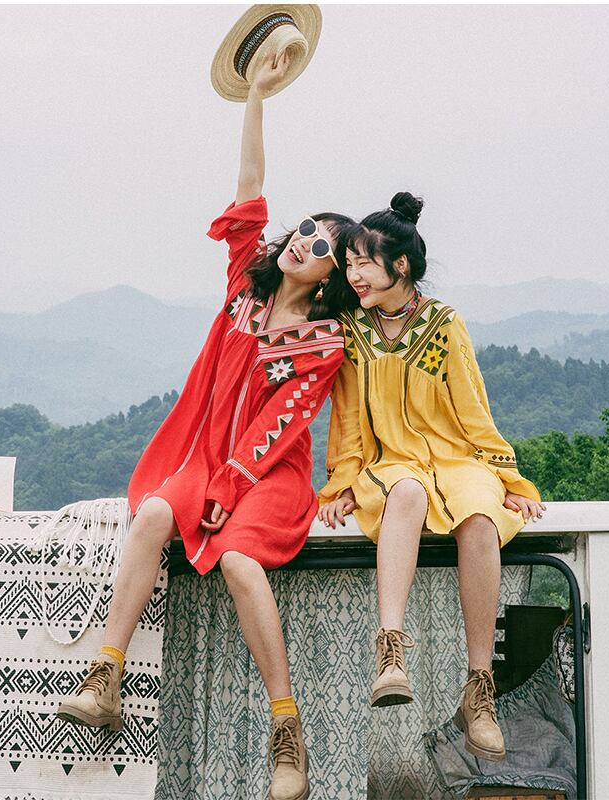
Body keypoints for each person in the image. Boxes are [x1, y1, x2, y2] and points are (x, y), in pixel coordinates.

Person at [57, 52, 354, 800]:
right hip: (203, 456)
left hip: (269, 475)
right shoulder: (245, 284)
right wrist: (257, 95)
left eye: (323, 246)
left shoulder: (324, 343)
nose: (305, 242)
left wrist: (230, 485)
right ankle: (106, 676)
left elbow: (282, 426)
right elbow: (250, 188)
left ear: (333, 278)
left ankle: (287, 732)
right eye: (306, 229)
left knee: (239, 563)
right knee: (154, 515)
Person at [318, 192, 546, 762]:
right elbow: (348, 420)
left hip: (458, 458)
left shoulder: (444, 324)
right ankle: (391, 653)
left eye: (363, 263)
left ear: (400, 264)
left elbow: (474, 410)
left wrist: (510, 478)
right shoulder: (353, 329)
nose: (353, 274)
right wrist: (342, 482)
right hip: (391, 460)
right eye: (349, 264)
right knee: (408, 492)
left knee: (479, 515)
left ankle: (479, 689)